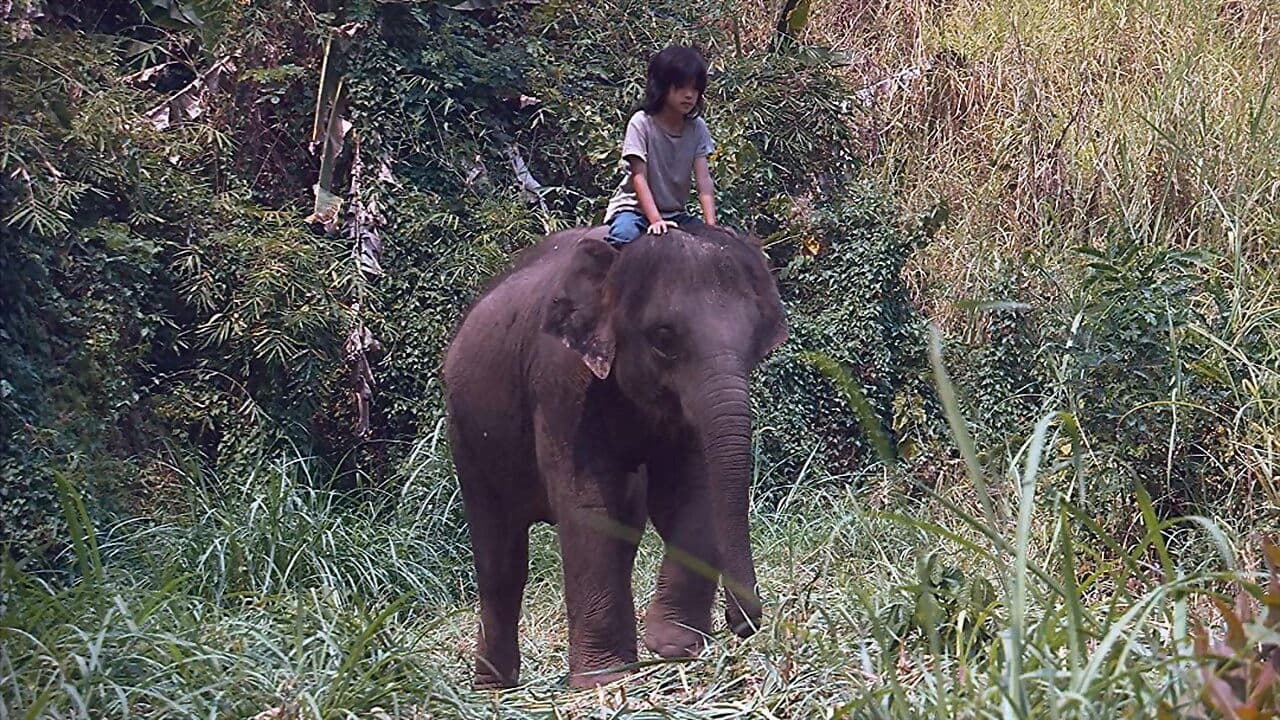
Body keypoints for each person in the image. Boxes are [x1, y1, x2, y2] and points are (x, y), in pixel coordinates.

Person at [603, 45, 717, 245]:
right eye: (681, 87)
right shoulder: (641, 123)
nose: (689, 95)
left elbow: (704, 181)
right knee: (623, 237)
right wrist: (655, 220)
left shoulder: (697, 128)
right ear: (662, 86)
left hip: (676, 214)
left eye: (695, 88)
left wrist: (711, 226)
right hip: (634, 211)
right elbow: (639, 176)